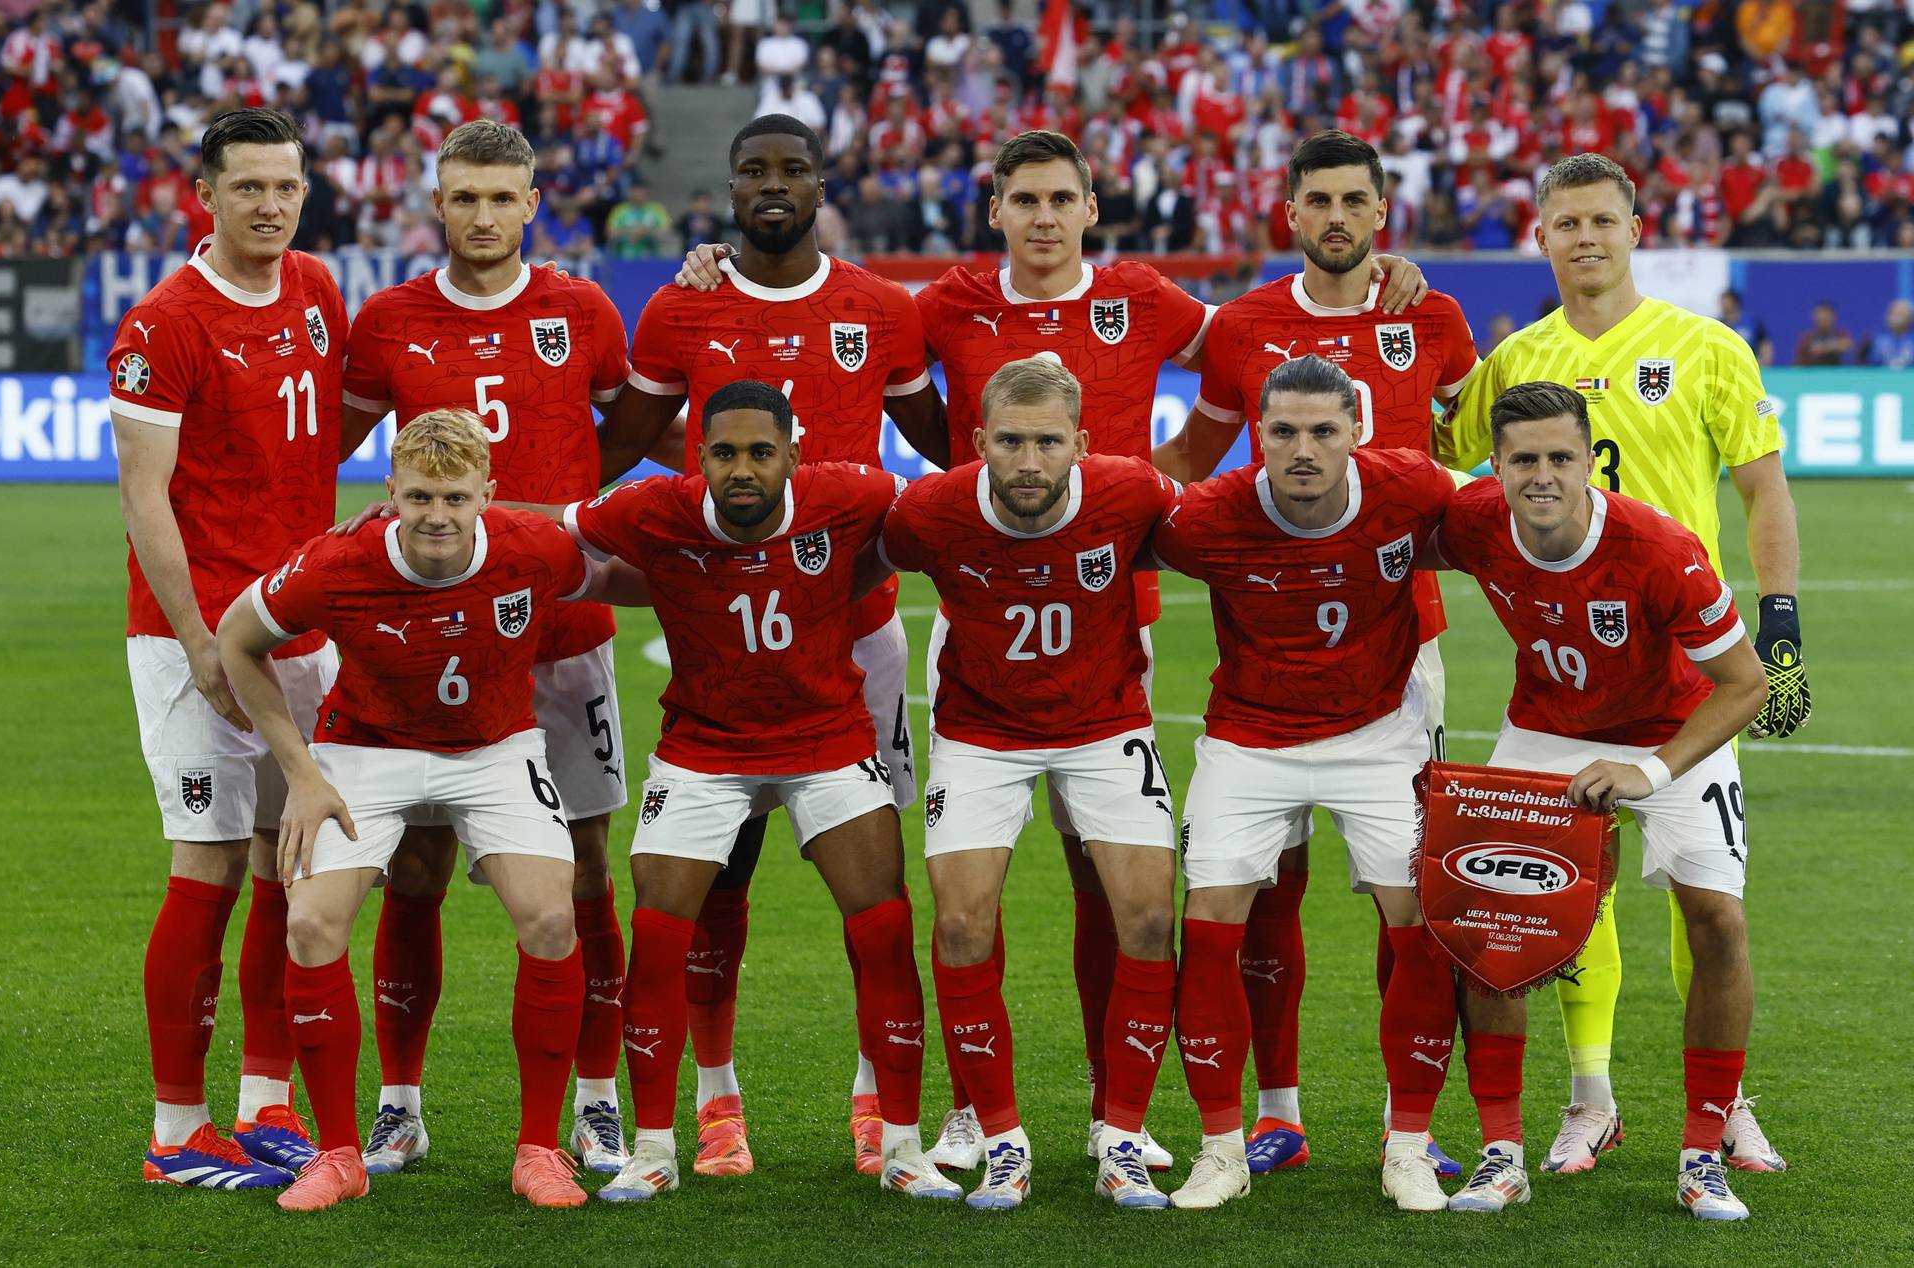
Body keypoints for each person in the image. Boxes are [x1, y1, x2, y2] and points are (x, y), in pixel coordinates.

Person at [677, 126, 1428, 1171]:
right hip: (984, 639)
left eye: (1059, 198)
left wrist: (1374, 284)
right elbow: (918, 417)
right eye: (1022, 198)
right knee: (965, 895)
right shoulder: (937, 305)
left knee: (1107, 883)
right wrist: (987, 506)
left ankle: (1105, 1110)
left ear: (1088, 206)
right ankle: (972, 1113)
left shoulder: (1148, 297)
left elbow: (1258, 344)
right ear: (996, 211)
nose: (1041, 215)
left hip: (1121, 638)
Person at [594, 113, 948, 1178]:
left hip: (859, 647)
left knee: (880, 891)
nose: (774, 185)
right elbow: (613, 449)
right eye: (754, 169)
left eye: (793, 169)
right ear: (730, 186)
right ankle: (713, 1105)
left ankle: (873, 1108)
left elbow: (947, 445)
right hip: (725, 649)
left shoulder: (882, 309)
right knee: (720, 881)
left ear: (822, 181)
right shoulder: (683, 302)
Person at [1441, 152, 1802, 1176]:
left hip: (1685, 663)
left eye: (1604, 219)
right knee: (1565, 893)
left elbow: (1763, 490)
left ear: (1636, 229)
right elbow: (1442, 448)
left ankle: (1722, 1107)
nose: (1586, 237)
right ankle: (1589, 1098)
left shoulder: (1705, 346)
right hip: (1561, 676)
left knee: (1706, 894)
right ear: (1542, 237)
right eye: (1567, 222)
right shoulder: (1517, 360)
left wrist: (1778, 627)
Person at [1152, 128, 1477, 1177]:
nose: (1336, 216)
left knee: (1405, 888)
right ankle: (1277, 1107)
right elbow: (1192, 464)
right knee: (1267, 889)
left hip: (1404, 647)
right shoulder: (1243, 325)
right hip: (1272, 640)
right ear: (1288, 213)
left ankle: (1403, 1118)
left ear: (1383, 213)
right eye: (1317, 200)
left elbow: (1465, 460)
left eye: (1355, 200)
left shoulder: (1431, 314)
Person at [216, 408, 632, 1211]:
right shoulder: (336, 562)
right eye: (417, 498)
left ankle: (539, 1151)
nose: (435, 516)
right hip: (365, 750)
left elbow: (625, 580)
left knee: (552, 918)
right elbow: (239, 638)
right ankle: (338, 1156)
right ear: (389, 494)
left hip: (495, 750)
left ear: (487, 494)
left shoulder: (534, 546)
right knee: (308, 925)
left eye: (453, 497)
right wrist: (302, 773)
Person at [335, 120, 642, 1177]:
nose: (482, 216)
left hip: (563, 639)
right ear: (436, 201)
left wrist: (572, 530)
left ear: (532, 205)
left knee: (588, 867)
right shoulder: (386, 321)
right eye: (463, 196)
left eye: (500, 197)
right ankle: (401, 1100)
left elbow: (627, 429)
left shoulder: (584, 310)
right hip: (427, 643)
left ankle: (597, 1099)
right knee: (413, 864)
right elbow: (322, 446)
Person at [569, 380, 958, 1204]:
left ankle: (900, 1143)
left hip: (825, 742)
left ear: (790, 454)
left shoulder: (848, 492)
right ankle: (652, 1148)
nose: (741, 470)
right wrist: (430, 522)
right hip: (703, 749)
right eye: (723, 454)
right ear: (698, 458)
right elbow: (544, 529)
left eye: (759, 453)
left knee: (885, 926)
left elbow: (938, 508)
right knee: (659, 929)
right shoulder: (653, 509)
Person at [1432, 381, 1769, 1220]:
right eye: (1522, 460)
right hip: (1547, 727)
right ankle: (1502, 1152)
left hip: (1675, 731)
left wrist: (1648, 773)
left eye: (1559, 458)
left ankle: (1702, 1154)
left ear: (1590, 461)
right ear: (1496, 466)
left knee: (1718, 921)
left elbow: (1744, 685)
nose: (1541, 476)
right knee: (1493, 925)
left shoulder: (1660, 549)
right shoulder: (1472, 522)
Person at [874, 358, 1180, 1210]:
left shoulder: (1130, 493)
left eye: (1049, 442)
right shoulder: (931, 510)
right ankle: (1001, 1139)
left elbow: (1221, 541)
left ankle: (1120, 1134)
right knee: (963, 925)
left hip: (1105, 724)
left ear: (1083, 444)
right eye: (1010, 441)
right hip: (980, 732)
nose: (1030, 462)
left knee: (1152, 918)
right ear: (977, 444)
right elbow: (863, 562)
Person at [108, 107, 344, 1190]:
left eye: (287, 185)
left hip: (299, 626)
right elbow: (145, 499)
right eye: (248, 186)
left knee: (282, 863)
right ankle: (174, 1129)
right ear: (205, 193)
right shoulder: (164, 320)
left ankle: (261, 1102)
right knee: (203, 864)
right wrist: (202, 639)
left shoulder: (317, 290)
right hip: (192, 636)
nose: (271, 205)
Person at [1792, 301, 1853, 366]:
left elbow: (1847, 345)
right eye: (1820, 317)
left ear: (1833, 317)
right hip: (1812, 373)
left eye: (1826, 317)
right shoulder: (1807, 338)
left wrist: (1824, 347)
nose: (1822, 320)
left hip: (1834, 373)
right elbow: (1799, 359)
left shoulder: (1840, 334)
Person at [1863, 297, 1914, 368]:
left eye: (1900, 314)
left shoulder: (1912, 340)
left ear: (1910, 318)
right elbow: (1868, 366)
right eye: (1892, 314)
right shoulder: (1876, 340)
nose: (1895, 318)